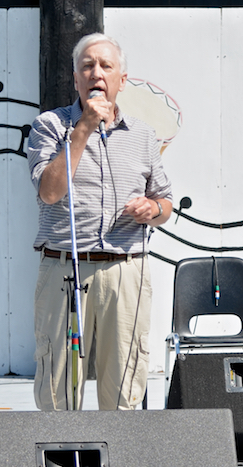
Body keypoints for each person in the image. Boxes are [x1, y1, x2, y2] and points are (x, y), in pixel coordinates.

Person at [27, 33, 173, 411]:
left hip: (126, 271)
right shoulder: (49, 126)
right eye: (87, 66)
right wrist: (83, 130)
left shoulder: (141, 135)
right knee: (59, 391)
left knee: (124, 390)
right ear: (75, 79)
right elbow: (49, 192)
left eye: (106, 66)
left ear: (121, 79)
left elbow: (166, 202)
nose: (96, 73)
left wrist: (151, 210)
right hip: (64, 268)